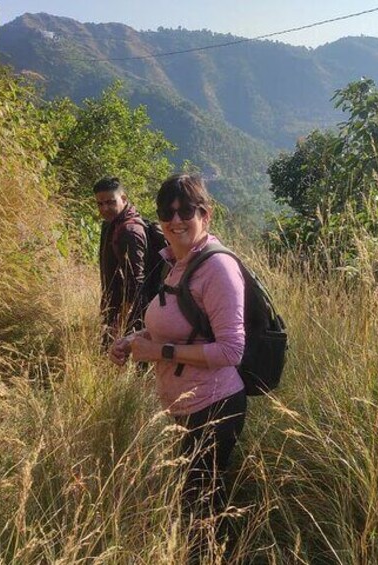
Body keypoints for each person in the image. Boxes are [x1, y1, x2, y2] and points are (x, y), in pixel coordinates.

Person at [109, 173, 246, 561]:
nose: (175, 219)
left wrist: (159, 353)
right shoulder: (177, 262)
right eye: (166, 212)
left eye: (186, 210)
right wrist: (134, 340)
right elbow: (178, 326)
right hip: (187, 406)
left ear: (206, 214)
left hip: (215, 408)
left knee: (204, 512)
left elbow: (231, 350)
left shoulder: (217, 269)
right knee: (196, 505)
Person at [94, 177, 148, 348]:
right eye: (100, 204)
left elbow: (136, 282)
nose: (104, 208)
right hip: (114, 306)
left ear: (124, 199)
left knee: (114, 357)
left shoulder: (129, 231)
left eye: (110, 202)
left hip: (124, 314)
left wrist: (120, 321)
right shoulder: (113, 224)